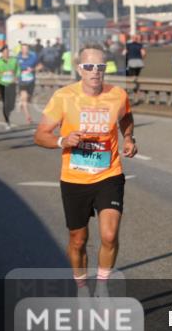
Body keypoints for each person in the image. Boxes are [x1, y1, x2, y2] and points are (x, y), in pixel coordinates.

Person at [33, 44, 137, 297]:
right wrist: (62, 141)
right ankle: (81, 287)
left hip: (108, 174)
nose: (95, 72)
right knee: (78, 240)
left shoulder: (118, 94)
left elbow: (126, 118)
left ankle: (101, 286)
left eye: (100, 67)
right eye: (89, 66)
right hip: (74, 178)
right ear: (80, 69)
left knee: (109, 236)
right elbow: (40, 136)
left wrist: (130, 138)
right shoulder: (64, 97)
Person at [0, 45, 19, 130]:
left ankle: (8, 111)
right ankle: (7, 121)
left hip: (12, 84)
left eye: (8, 51)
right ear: (2, 53)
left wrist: (17, 76)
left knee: (11, 104)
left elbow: (18, 70)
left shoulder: (14, 60)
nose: (6, 53)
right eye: (5, 52)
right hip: (2, 84)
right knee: (5, 103)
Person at [16, 42, 39, 125]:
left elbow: (40, 66)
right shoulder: (17, 58)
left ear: (28, 49)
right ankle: (28, 117)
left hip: (31, 81)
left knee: (28, 99)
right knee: (25, 99)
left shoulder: (33, 57)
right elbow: (14, 68)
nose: (25, 50)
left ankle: (21, 102)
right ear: (21, 50)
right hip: (22, 82)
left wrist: (33, 69)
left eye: (26, 48)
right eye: (23, 49)